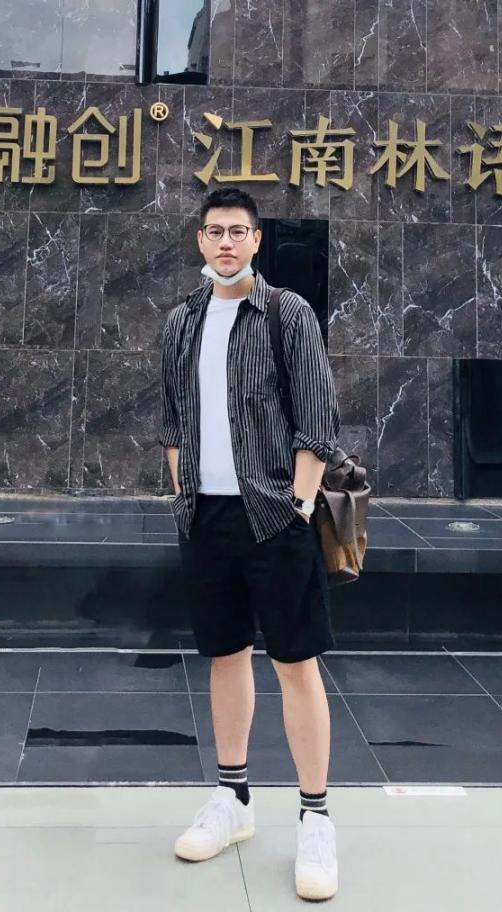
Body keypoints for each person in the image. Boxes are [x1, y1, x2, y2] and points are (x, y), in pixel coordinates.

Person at [159, 187, 341, 902]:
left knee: (295, 663)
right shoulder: (182, 321)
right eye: (215, 231)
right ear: (200, 240)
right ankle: (233, 798)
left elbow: (317, 422)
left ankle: (316, 817)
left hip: (276, 518)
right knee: (226, 655)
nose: (226, 242)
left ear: (257, 240)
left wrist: (299, 505)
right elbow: (172, 419)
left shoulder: (287, 313)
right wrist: (184, 493)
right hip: (206, 517)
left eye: (238, 231)